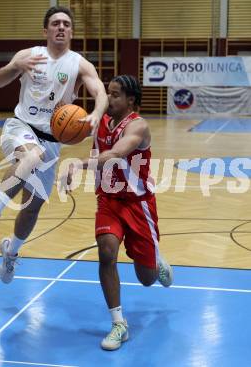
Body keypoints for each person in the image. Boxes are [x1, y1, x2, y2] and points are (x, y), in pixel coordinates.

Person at [0, 6, 108, 284]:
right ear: (45, 30)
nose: (61, 27)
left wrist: (95, 113)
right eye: (55, 23)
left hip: (53, 140)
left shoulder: (79, 64)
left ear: (71, 31)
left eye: (66, 24)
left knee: (32, 207)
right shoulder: (28, 56)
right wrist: (14, 66)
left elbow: (100, 91)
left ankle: (11, 252)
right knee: (30, 156)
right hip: (21, 127)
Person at [61, 75, 173, 351]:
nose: (108, 99)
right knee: (107, 252)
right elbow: (71, 125)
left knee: (146, 279)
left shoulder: (138, 126)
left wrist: (79, 164)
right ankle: (118, 323)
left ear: (130, 100)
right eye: (108, 93)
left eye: (115, 95)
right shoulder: (100, 120)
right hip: (109, 201)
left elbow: (116, 153)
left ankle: (156, 261)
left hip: (138, 204)